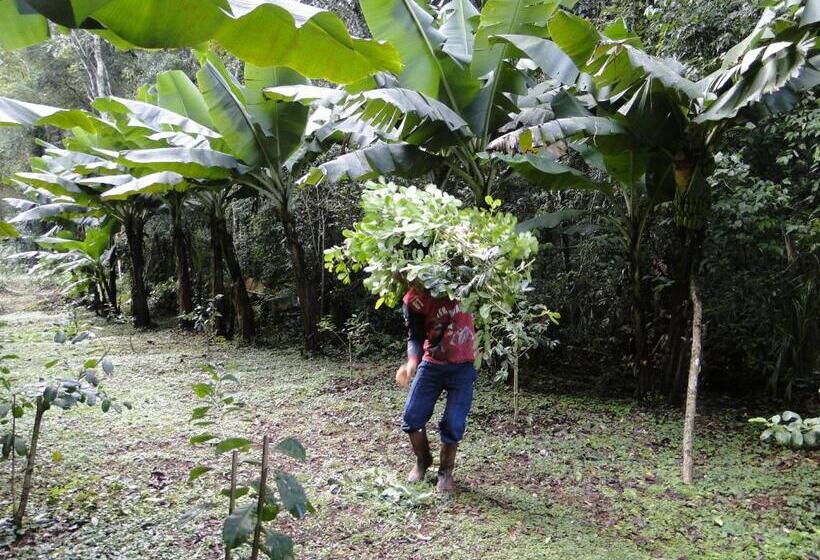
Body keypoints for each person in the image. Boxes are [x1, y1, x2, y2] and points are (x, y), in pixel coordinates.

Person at [395, 284, 476, 493]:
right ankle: (423, 460)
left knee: (454, 422)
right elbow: (415, 336)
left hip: (463, 365)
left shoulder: (470, 283)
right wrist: (412, 362)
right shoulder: (416, 298)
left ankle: (446, 473)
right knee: (412, 417)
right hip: (432, 364)